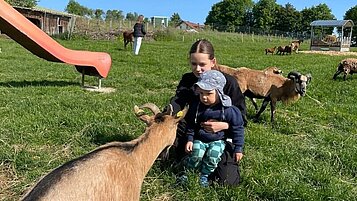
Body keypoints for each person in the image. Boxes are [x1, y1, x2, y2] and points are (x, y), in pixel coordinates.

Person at [165, 39, 247, 186]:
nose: (197, 69)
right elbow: (178, 101)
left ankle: (212, 164)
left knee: (227, 181)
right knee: (176, 124)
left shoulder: (229, 82)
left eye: (202, 64)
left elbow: (242, 118)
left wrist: (224, 126)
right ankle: (181, 155)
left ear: (213, 61)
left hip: (222, 136)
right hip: (195, 130)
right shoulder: (188, 79)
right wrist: (167, 113)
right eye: (193, 64)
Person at [182, 70, 244, 187]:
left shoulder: (229, 110)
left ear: (219, 92)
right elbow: (191, 124)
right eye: (201, 93)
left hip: (218, 140)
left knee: (213, 156)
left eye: (209, 93)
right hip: (200, 138)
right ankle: (188, 172)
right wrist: (190, 139)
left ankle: (204, 175)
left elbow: (238, 128)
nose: (204, 97)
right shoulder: (196, 107)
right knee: (196, 153)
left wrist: (238, 148)